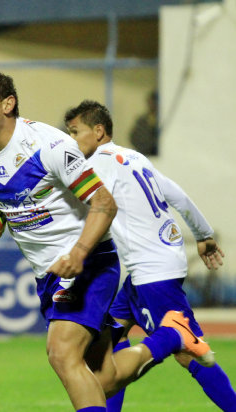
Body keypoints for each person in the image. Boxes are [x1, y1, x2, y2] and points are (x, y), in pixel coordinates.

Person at [0, 70, 213, 411]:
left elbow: (104, 203)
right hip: (48, 273)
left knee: (61, 353)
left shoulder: (50, 146)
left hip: (88, 261)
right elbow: (1, 216)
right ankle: (171, 336)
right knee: (103, 378)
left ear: (8, 104)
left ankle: (172, 335)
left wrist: (79, 252)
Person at [64, 99, 235, 411]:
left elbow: (78, 206)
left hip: (153, 274)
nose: (71, 141)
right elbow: (179, 196)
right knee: (109, 341)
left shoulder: (98, 163)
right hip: (153, 267)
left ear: (99, 131)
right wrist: (204, 235)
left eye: (75, 132)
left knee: (189, 353)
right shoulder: (134, 159)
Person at [129, 90, 159, 156]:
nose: (152, 104)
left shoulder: (162, 121)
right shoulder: (142, 121)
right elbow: (134, 138)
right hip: (146, 155)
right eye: (151, 102)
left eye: (155, 102)